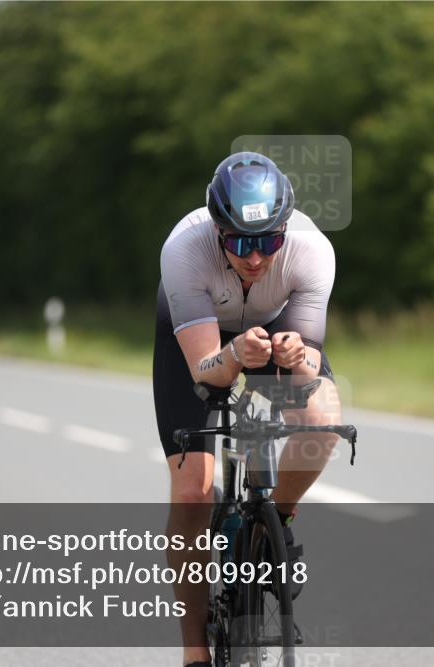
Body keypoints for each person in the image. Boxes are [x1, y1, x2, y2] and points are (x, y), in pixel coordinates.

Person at [153, 152, 342, 667]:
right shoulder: (184, 250)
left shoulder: (312, 252)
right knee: (193, 490)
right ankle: (194, 647)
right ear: (217, 231)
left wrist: (299, 358)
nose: (254, 258)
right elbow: (204, 372)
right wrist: (235, 355)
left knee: (323, 422)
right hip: (203, 345)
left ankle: (275, 523)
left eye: (267, 242)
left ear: (285, 230)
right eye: (238, 242)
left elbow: (308, 370)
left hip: (279, 335)